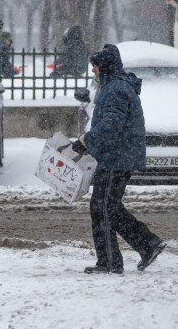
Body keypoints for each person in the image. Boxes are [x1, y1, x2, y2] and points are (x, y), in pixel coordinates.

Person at [71, 44, 166, 274]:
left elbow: (112, 124)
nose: (93, 70)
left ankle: (111, 262)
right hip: (116, 156)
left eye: (95, 65)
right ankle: (148, 244)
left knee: (102, 207)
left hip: (117, 157)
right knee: (109, 207)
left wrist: (86, 141)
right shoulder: (115, 86)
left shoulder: (115, 89)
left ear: (105, 66)